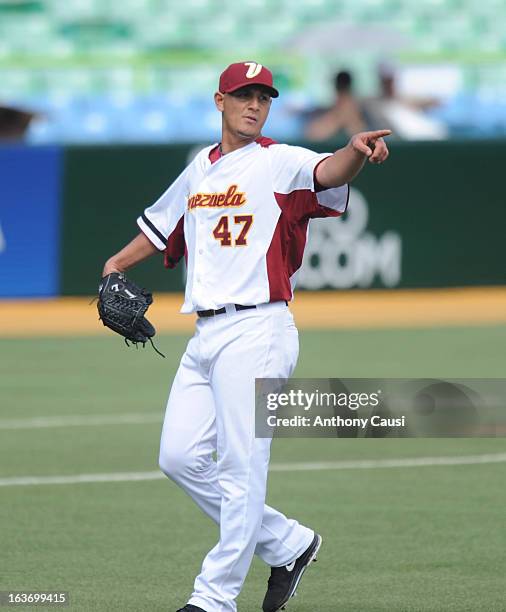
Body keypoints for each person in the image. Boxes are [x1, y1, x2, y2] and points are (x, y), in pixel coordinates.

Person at [102, 61, 390, 612]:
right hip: (205, 334)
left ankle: (213, 599)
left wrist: (355, 149)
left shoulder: (278, 162)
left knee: (241, 467)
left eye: (264, 97)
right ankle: (289, 544)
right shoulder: (199, 170)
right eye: (244, 95)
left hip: (259, 327)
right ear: (221, 101)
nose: (254, 105)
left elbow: (329, 172)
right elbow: (160, 227)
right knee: (179, 457)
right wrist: (115, 263)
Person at [304, 70, 367, 141]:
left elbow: (362, 138)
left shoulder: (362, 112)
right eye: (341, 89)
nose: (343, 94)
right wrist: (338, 117)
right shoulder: (323, 112)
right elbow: (311, 135)